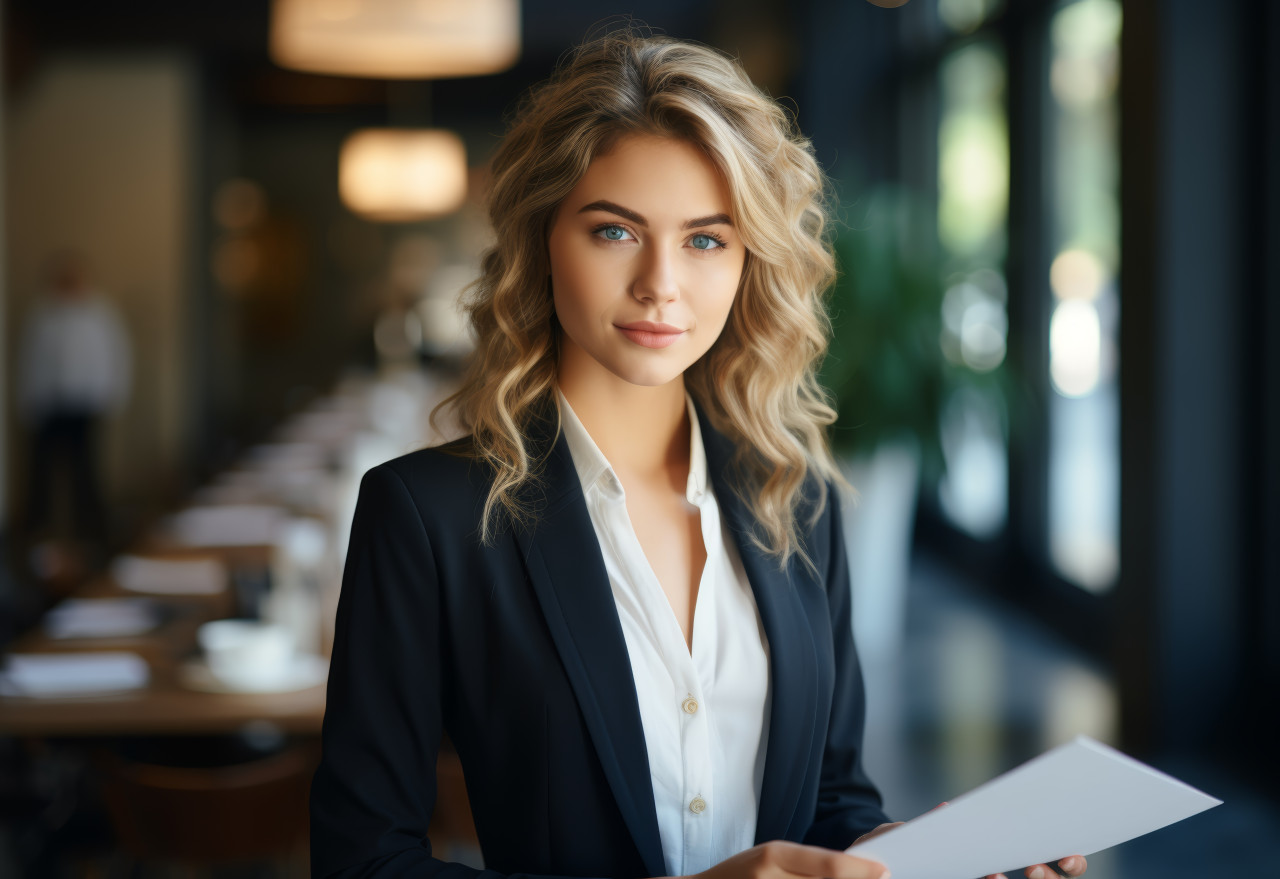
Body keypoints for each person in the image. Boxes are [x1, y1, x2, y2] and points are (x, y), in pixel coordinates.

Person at [309, 29, 1089, 879]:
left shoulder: (797, 499)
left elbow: (831, 795)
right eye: (615, 232)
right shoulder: (430, 515)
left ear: (749, 258)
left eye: (706, 239)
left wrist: (908, 857)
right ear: (542, 241)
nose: (661, 284)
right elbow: (363, 861)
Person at [16, 250, 131, 557]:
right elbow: (31, 362)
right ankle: (38, 539)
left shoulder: (99, 311)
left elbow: (116, 357)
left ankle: (91, 536)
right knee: (42, 475)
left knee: (86, 474)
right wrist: (28, 403)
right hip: (50, 405)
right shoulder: (43, 313)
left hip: (86, 404)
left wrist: (112, 396)